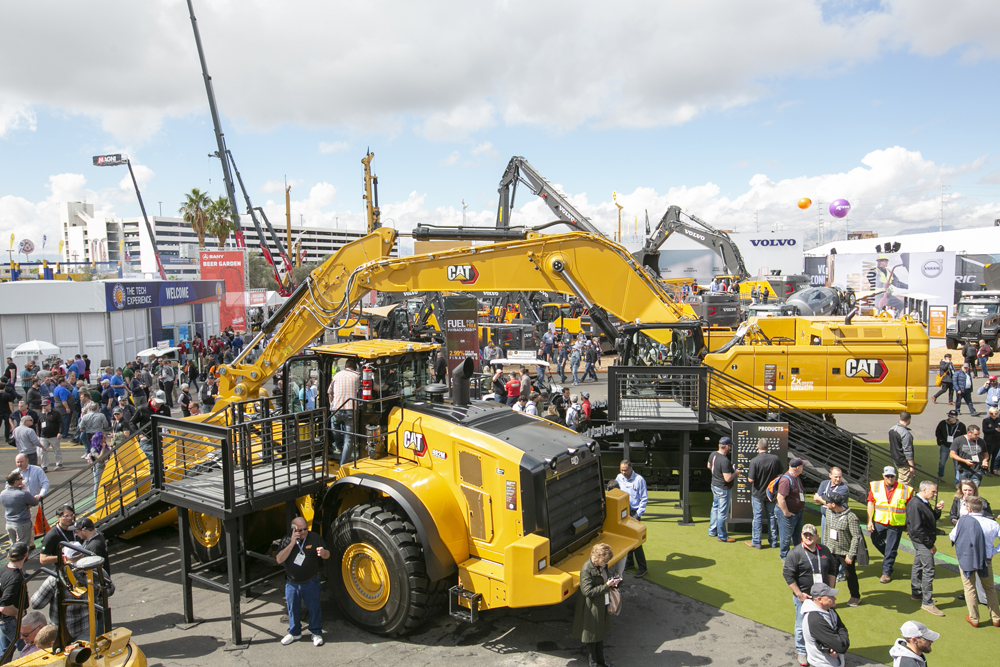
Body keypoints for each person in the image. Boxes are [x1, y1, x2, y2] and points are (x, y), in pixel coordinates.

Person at [782, 524, 836, 666]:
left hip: (822, 597)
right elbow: (787, 574)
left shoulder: (824, 551)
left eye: (811, 535)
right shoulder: (795, 553)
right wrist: (799, 594)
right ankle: (801, 651)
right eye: (805, 535)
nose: (808, 537)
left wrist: (830, 591)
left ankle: (820, 648)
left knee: (824, 623)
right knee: (801, 624)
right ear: (801, 536)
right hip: (804, 597)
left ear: (816, 537)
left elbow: (832, 569)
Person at [30, 560, 114, 642]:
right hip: (87, 627)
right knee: (86, 654)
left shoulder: (55, 578)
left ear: (65, 558)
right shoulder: (96, 572)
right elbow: (109, 591)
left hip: (60, 631)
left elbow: (36, 604)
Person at [276, 517, 329, 646]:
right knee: (292, 609)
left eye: (306, 528)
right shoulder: (287, 540)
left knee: (314, 608)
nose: (304, 531)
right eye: (300, 530)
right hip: (292, 583)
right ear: (294, 530)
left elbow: (328, 554)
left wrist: (323, 553)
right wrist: (292, 544)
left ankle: (316, 632)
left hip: (310, 581)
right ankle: (294, 633)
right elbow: (279, 559)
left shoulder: (314, 537)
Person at [948, 495, 1000, 627]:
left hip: (967, 559)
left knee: (969, 588)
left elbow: (952, 536)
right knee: (989, 588)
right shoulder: (993, 524)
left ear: (969, 509)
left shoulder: (962, 521)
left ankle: (974, 619)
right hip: (986, 560)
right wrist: (993, 551)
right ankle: (996, 617)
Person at [572, 542, 619, 667]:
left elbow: (604, 578)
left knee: (599, 633)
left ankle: (601, 661)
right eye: (604, 561)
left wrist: (612, 582)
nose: (606, 563)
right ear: (597, 558)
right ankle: (593, 663)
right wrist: (606, 587)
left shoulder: (601, 565)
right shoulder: (586, 568)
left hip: (600, 603)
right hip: (591, 607)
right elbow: (587, 591)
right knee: (592, 636)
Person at [905, 480, 946, 616]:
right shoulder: (916, 504)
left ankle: (916, 593)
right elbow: (917, 529)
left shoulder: (923, 503)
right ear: (924, 490)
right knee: (929, 570)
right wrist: (930, 545)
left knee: (918, 565)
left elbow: (931, 518)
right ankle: (927, 602)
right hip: (922, 542)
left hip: (923, 541)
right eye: (933, 491)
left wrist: (937, 510)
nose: (935, 494)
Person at [867, 465, 912, 584]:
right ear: (883, 476)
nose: (890, 478)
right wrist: (870, 520)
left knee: (891, 547)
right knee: (875, 540)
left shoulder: (905, 489)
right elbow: (871, 503)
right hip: (880, 521)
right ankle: (889, 555)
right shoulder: (875, 486)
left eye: (892, 476)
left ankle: (887, 572)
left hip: (896, 523)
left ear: (895, 477)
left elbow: (909, 508)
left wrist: (908, 524)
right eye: (887, 476)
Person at [821, 491, 861, 606]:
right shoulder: (828, 512)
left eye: (827, 501)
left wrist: (851, 554)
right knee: (829, 574)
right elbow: (827, 530)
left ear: (833, 504)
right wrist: (825, 548)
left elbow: (856, 537)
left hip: (845, 553)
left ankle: (855, 596)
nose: (825, 503)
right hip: (830, 550)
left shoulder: (851, 517)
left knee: (850, 574)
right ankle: (828, 597)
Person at [800, 583, 849, 667]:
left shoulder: (829, 610)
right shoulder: (815, 620)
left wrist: (839, 632)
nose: (835, 598)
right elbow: (842, 646)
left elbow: (841, 627)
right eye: (830, 597)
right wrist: (840, 633)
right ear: (820, 599)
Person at [746, 438, 783, 549]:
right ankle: (773, 541)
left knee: (757, 517)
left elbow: (750, 480)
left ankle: (757, 542)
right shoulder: (775, 459)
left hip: (758, 493)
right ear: (767, 447)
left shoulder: (754, 461)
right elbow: (780, 475)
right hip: (771, 493)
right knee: (772, 516)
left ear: (758, 447)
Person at [616, 460, 647, 577]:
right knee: (626, 537)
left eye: (625, 470)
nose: (623, 472)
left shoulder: (639, 480)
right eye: (621, 470)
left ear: (631, 469)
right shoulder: (619, 477)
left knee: (636, 540)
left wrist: (638, 514)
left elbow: (644, 499)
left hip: (634, 512)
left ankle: (643, 567)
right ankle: (629, 563)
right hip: (624, 511)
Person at [329, 359, 360, 466]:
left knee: (334, 425)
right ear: (355, 367)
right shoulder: (358, 376)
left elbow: (330, 393)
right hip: (351, 410)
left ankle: (338, 446)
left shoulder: (337, 375)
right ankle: (343, 463)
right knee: (349, 439)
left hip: (336, 409)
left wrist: (331, 405)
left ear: (345, 366)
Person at [0, 542, 29, 657]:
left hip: (5, 621)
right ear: (26, 555)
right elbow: (4, 607)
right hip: (12, 621)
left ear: (8, 556)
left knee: (5, 651)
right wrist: (18, 612)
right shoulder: (15, 578)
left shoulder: (3, 569)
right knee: (27, 650)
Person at [776, 458, 807, 559]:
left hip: (798, 512)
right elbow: (780, 498)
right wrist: (786, 512)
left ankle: (797, 555)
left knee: (797, 535)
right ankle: (785, 557)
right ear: (798, 468)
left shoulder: (796, 477)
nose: (803, 468)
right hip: (789, 514)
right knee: (786, 537)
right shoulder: (786, 480)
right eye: (802, 466)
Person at [707, 437, 736, 543]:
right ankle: (722, 536)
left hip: (714, 485)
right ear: (727, 446)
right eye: (730, 446)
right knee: (722, 513)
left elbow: (709, 466)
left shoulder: (713, 454)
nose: (730, 448)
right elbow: (728, 478)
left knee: (715, 508)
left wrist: (717, 474)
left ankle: (712, 530)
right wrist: (736, 473)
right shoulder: (725, 461)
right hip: (723, 488)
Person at [131, 391, 169, 467]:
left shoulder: (165, 408)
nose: (159, 405)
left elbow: (168, 421)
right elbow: (132, 422)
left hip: (158, 438)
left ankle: (157, 478)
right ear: (152, 398)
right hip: (146, 438)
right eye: (157, 402)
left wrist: (167, 429)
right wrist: (140, 434)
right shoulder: (142, 409)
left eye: (161, 403)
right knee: (154, 460)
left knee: (158, 460)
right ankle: (157, 477)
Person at [2, 472, 38, 548]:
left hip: (9, 523)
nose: (22, 480)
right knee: (22, 548)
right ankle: (22, 560)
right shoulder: (23, 494)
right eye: (20, 478)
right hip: (21, 524)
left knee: (13, 546)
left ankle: (13, 559)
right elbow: (35, 502)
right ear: (15, 481)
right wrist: (24, 489)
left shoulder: (3, 493)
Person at [813, 466, 848, 537]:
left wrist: (820, 499)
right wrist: (826, 501)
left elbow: (832, 505)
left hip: (837, 517)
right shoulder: (824, 484)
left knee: (834, 540)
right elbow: (815, 499)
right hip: (825, 516)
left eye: (840, 477)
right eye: (836, 477)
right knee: (824, 540)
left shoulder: (843, 488)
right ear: (830, 475)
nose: (838, 479)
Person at [934, 410, 965, 480]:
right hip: (945, 446)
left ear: (956, 417)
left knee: (956, 465)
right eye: (949, 416)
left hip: (956, 449)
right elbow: (938, 432)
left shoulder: (961, 426)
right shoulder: (942, 423)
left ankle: (957, 481)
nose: (950, 417)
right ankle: (940, 475)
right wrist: (940, 442)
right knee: (942, 463)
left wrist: (960, 447)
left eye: (952, 416)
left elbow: (963, 436)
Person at [888, 412, 916, 488]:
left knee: (902, 480)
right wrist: (912, 466)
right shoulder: (906, 434)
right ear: (909, 420)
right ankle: (900, 499)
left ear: (899, 418)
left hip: (895, 458)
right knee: (904, 483)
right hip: (903, 461)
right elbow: (908, 451)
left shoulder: (892, 429)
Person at [38, 399, 62, 471]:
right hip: (44, 436)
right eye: (43, 406)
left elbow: (61, 423)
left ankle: (59, 463)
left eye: (45, 406)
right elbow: (39, 425)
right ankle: (44, 465)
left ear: (49, 405)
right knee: (42, 451)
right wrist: (39, 435)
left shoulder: (56, 413)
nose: (44, 407)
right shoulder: (41, 414)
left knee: (56, 450)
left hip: (54, 435)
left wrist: (60, 432)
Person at [982, 407, 1000, 476]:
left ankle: (992, 469)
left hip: (998, 441)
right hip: (989, 441)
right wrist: (994, 430)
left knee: (995, 456)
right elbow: (985, 430)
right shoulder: (986, 420)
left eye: (996, 413)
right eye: (992, 414)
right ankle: (985, 469)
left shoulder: (999, 420)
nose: (994, 415)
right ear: (989, 413)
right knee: (987, 456)